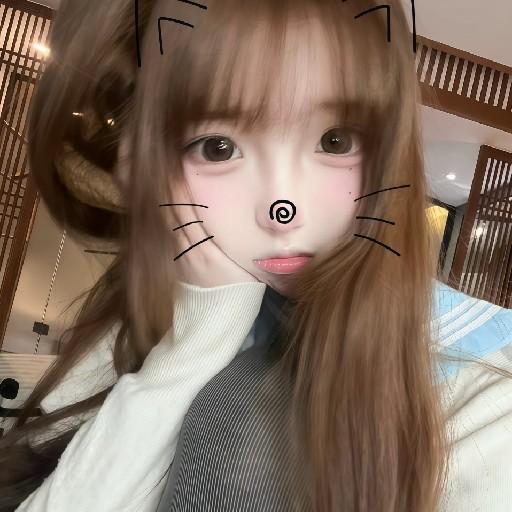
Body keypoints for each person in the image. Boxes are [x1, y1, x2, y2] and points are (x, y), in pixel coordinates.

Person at [1, 0, 512, 510]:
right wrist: (198, 339)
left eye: (335, 141)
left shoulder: (486, 394)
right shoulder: (162, 310)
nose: (282, 210)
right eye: (217, 148)